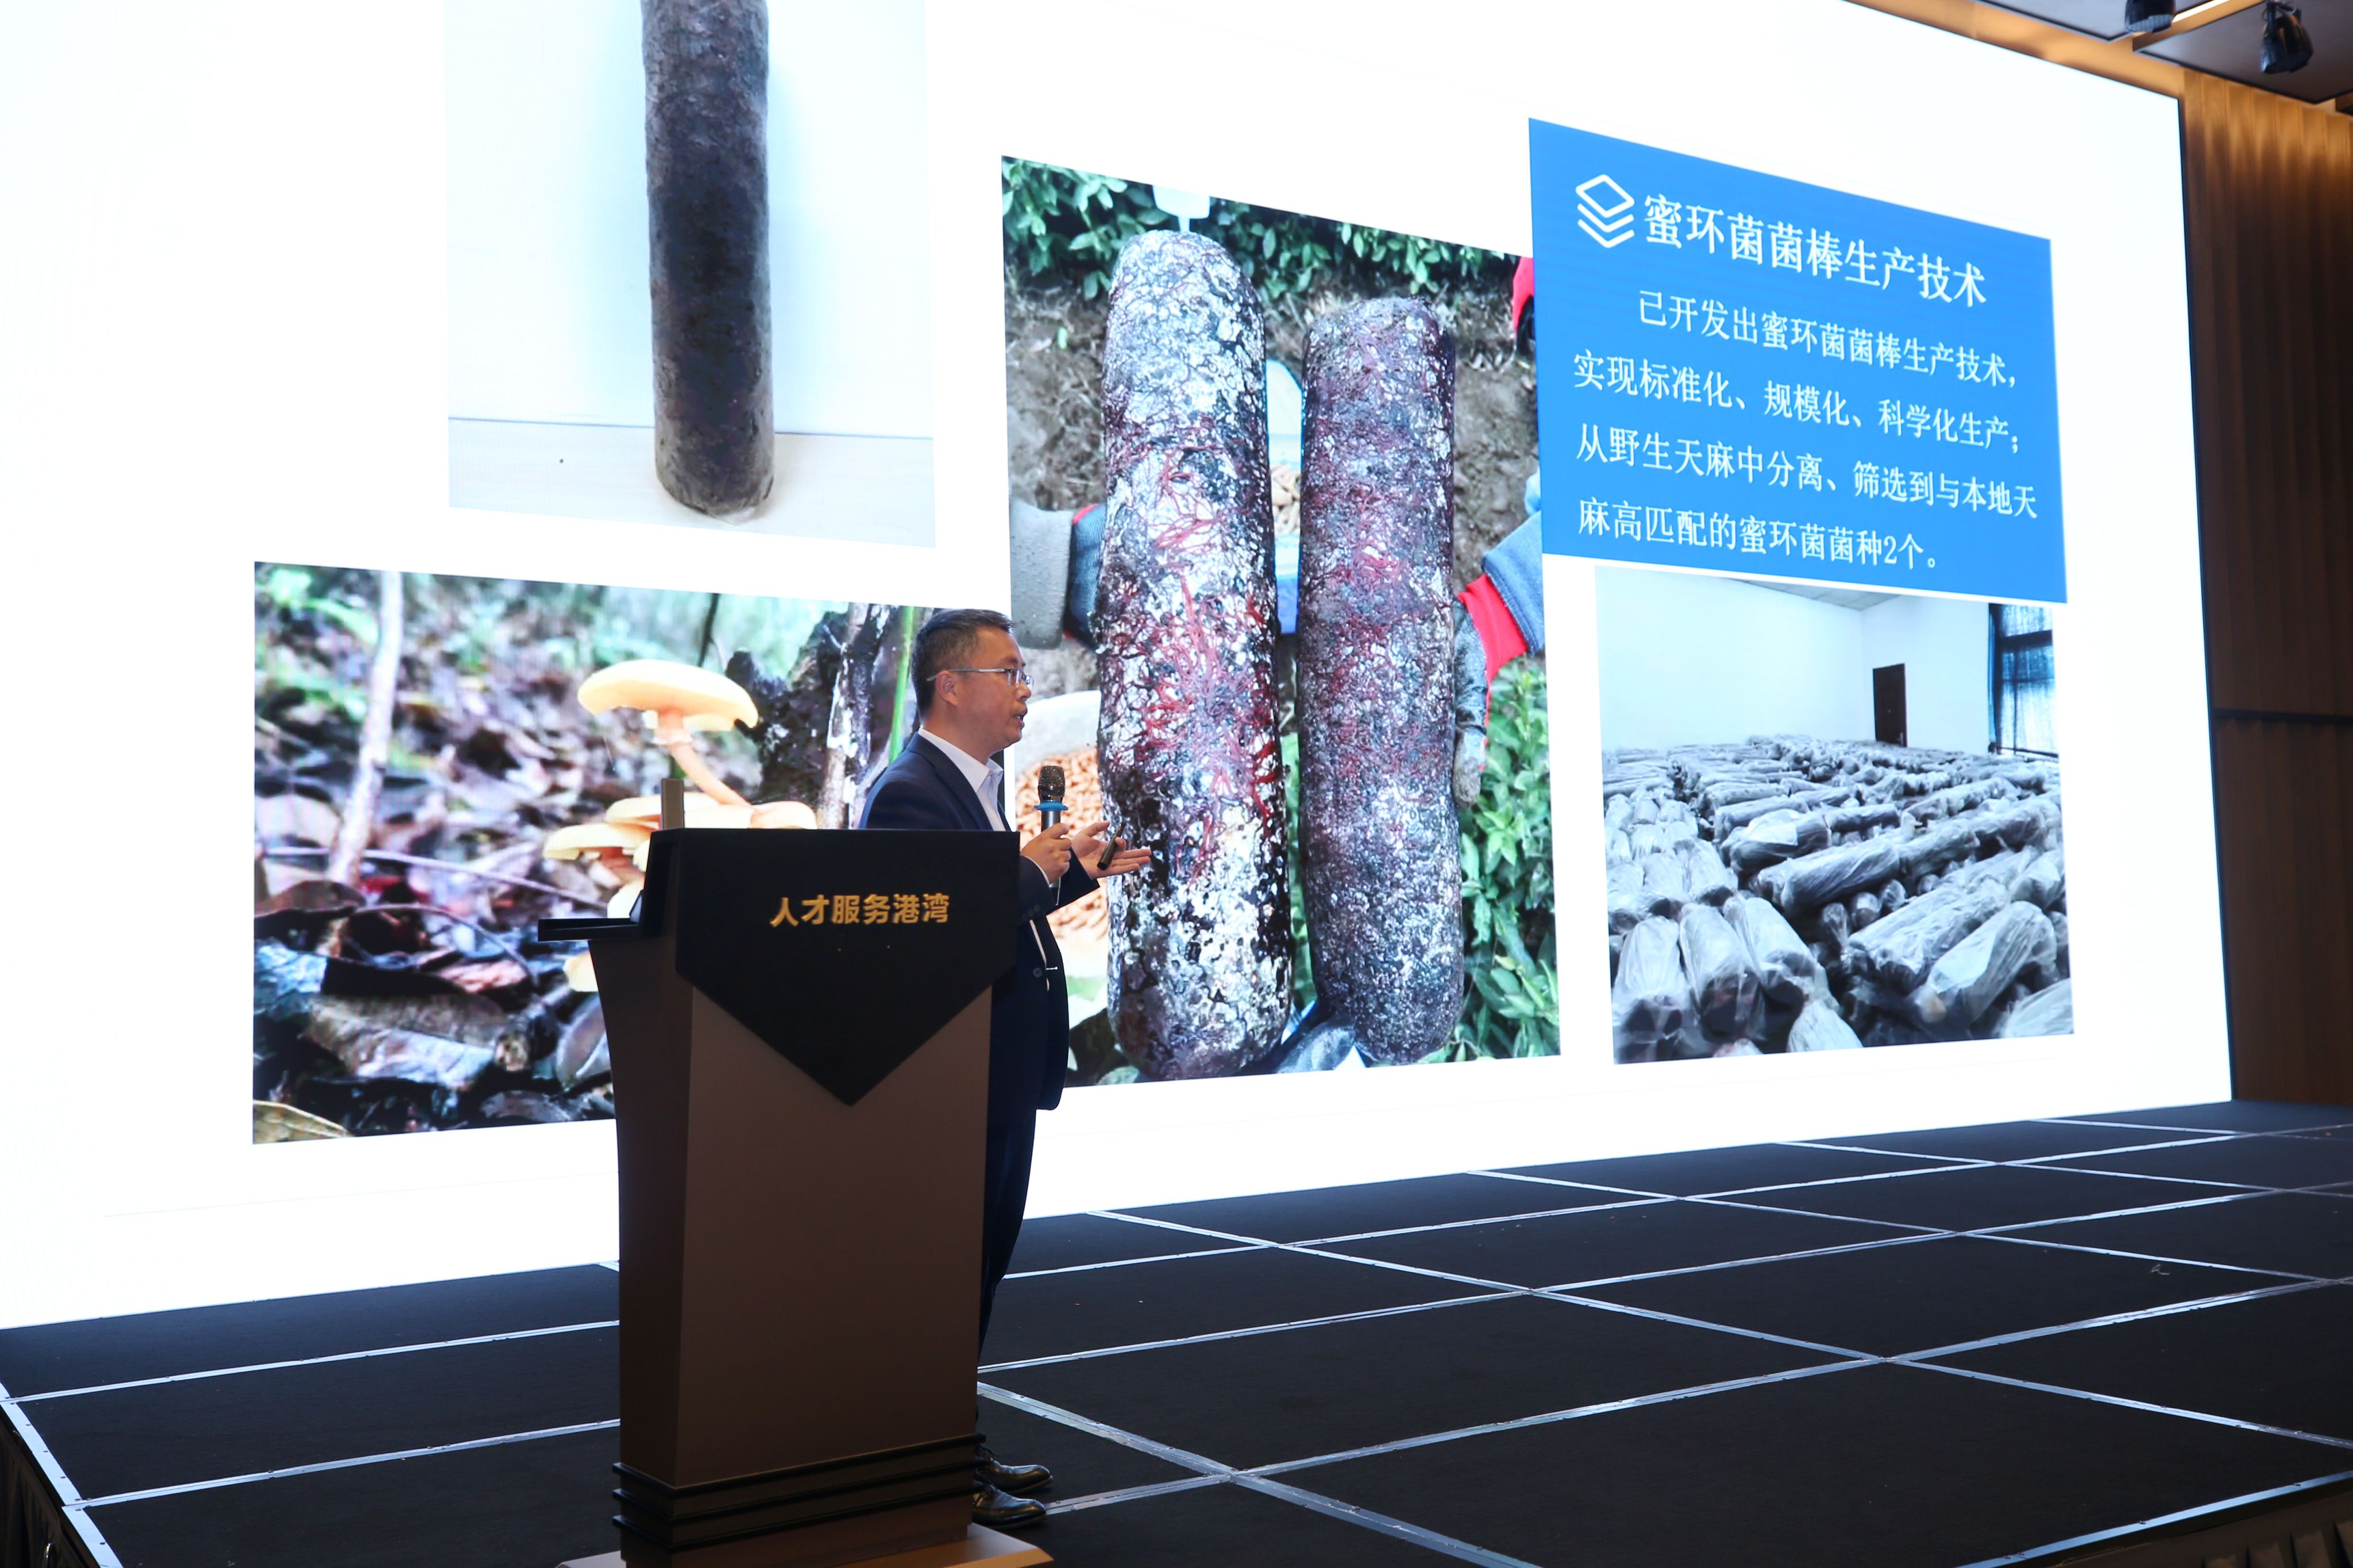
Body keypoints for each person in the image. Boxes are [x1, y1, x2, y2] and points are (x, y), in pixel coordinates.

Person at [857, 608, 1148, 1530]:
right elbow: (928, 933)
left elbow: (986, 913)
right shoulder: (909, 794)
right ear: (951, 687)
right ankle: (931, 1463)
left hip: (998, 1075)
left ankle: (956, 1446)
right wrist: (1031, 871)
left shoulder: (977, 783)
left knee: (973, 1278)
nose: (1027, 688)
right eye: (1010, 672)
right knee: (944, 1283)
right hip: (953, 1082)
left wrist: (1074, 872)